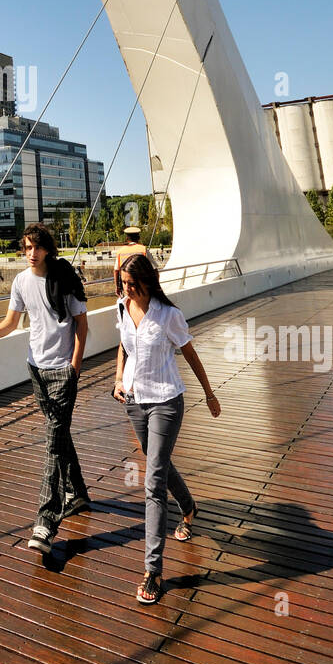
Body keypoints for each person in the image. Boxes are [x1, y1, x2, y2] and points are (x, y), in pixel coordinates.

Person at [0, 223, 90, 556]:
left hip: (62, 371)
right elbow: (11, 323)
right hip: (36, 370)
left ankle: (46, 522)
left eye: (36, 247)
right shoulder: (21, 281)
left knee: (52, 444)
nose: (31, 253)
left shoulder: (64, 278)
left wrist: (74, 366)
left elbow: (82, 322)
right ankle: (77, 492)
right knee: (59, 435)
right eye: (26, 247)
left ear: (47, 249)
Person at [114, 252, 221, 604]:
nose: (128, 291)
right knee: (159, 464)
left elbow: (189, 353)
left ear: (148, 281)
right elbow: (124, 345)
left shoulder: (169, 315)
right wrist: (118, 379)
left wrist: (209, 394)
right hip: (134, 401)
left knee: (152, 482)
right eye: (124, 285)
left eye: (133, 285)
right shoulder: (123, 306)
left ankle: (153, 570)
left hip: (165, 401)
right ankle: (189, 508)